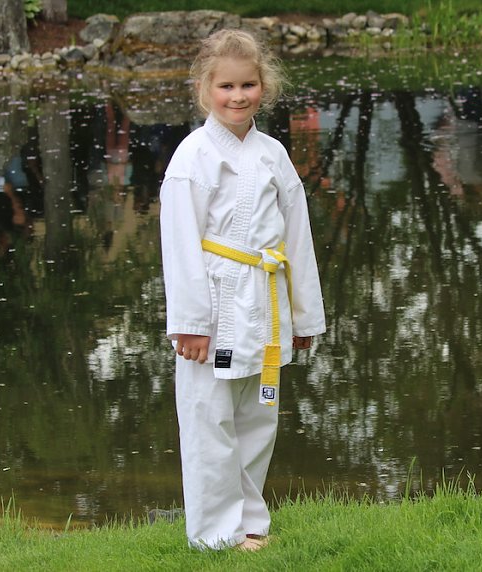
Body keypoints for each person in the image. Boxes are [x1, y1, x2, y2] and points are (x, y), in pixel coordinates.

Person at [159, 29, 326, 552]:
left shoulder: (273, 154)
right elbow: (180, 244)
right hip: (215, 307)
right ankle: (215, 534)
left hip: (267, 303)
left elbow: (297, 238)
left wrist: (304, 319)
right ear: (205, 89)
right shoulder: (192, 158)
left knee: (259, 417)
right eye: (226, 86)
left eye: (248, 85)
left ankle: (251, 521)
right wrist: (189, 322)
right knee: (211, 422)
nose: (238, 96)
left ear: (264, 87)